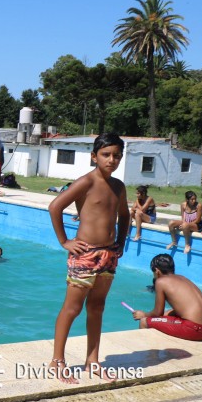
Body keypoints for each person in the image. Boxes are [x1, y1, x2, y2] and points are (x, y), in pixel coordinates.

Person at [48, 133, 129, 383]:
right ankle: (57, 360)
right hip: (85, 254)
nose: (111, 160)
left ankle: (92, 361)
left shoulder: (118, 186)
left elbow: (124, 215)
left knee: (97, 307)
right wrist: (65, 241)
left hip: (108, 254)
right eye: (106, 155)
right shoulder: (87, 181)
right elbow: (55, 207)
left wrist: (120, 243)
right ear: (94, 156)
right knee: (72, 308)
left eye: (116, 155)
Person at [132, 254, 202, 340]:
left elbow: (157, 313)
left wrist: (143, 314)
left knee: (144, 322)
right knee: (167, 313)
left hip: (195, 330)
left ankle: (148, 352)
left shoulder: (160, 282)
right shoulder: (182, 278)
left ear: (157, 271)